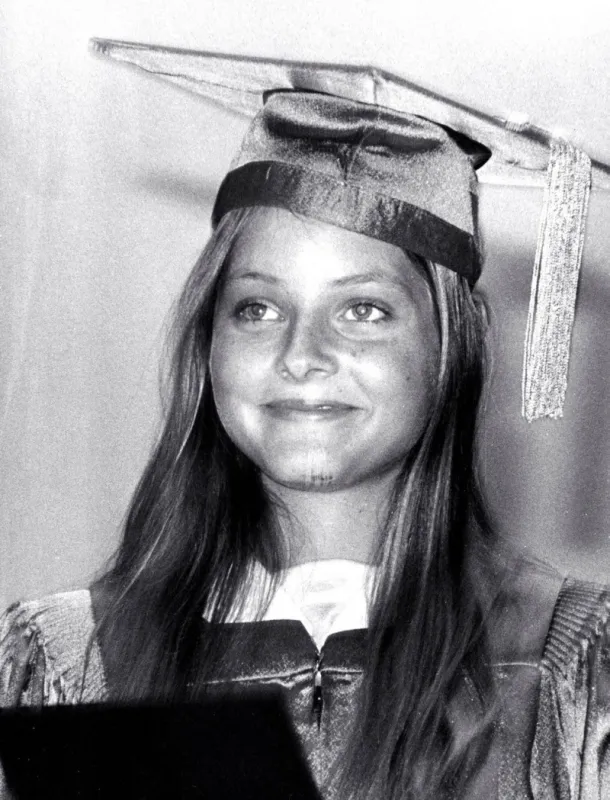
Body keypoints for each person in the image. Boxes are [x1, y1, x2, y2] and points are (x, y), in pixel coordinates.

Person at [1, 45, 609, 800]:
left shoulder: (569, 667)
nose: (302, 354)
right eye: (257, 308)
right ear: (208, 340)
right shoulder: (73, 664)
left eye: (363, 310)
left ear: (451, 344)